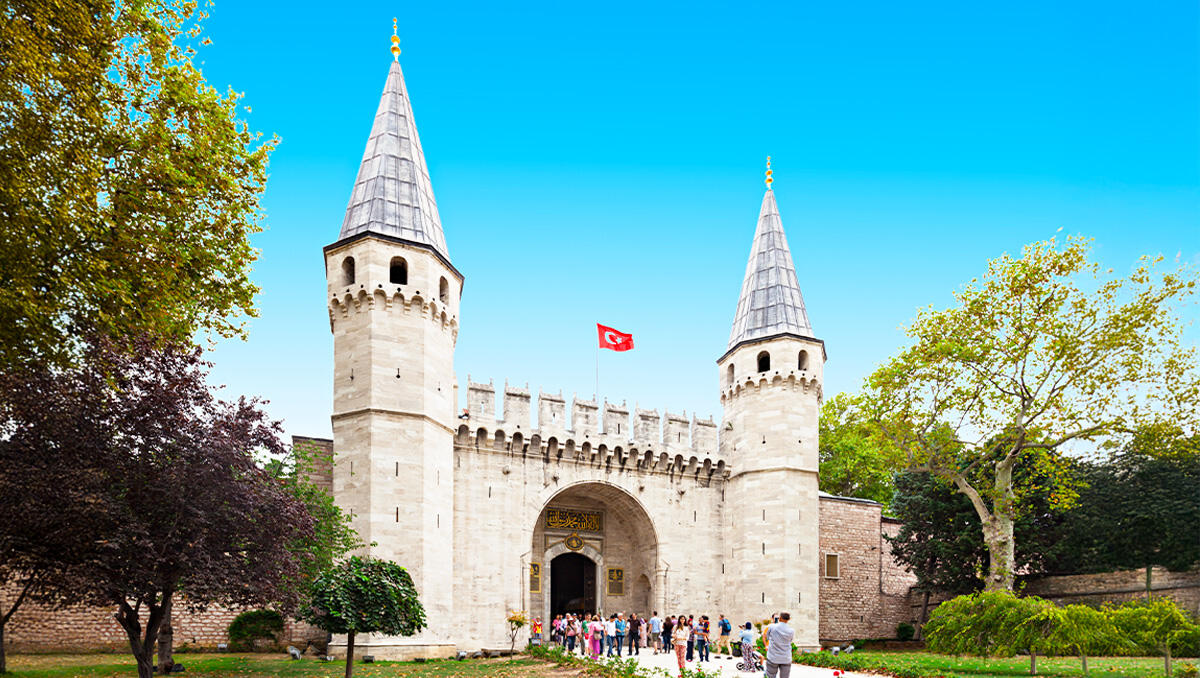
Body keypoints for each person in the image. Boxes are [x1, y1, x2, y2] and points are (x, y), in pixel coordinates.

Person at [762, 612, 796, 678]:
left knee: (770, 676)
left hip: (773, 657)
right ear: (789, 619)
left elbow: (767, 637)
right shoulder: (791, 631)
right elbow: (790, 640)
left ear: (779, 618)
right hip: (786, 657)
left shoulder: (771, 627)